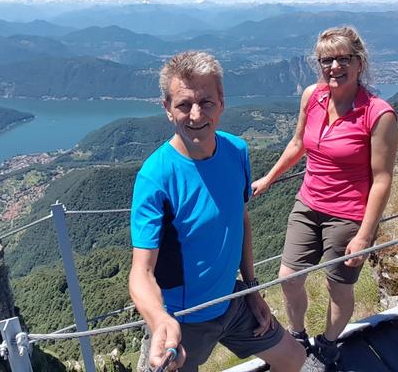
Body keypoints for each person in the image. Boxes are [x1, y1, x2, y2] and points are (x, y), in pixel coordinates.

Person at [129, 51, 306, 372]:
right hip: (183, 320)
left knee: (294, 359)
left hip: (234, 301)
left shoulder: (236, 150)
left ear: (222, 102)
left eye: (206, 102)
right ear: (167, 109)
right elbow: (141, 271)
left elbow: (240, 220)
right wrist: (159, 320)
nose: (196, 115)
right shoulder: (155, 177)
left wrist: (252, 289)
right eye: (183, 104)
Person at [251, 27, 398, 372]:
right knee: (288, 277)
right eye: (326, 60)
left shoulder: (378, 114)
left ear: (359, 62)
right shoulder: (312, 96)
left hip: (349, 215)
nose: (334, 66)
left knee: (339, 289)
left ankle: (328, 345)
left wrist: (364, 234)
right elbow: (298, 143)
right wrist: (269, 179)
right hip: (308, 203)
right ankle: (298, 335)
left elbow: (382, 179)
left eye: (343, 58)